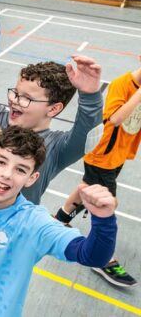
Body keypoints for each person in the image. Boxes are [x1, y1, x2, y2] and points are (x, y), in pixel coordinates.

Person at [0, 126, 118, 317]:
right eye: (1, 161)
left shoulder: (34, 223)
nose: (7, 174)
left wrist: (104, 219)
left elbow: (93, 256)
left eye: (20, 169)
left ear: (32, 178)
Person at [0, 35, 103, 204]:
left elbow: (88, 136)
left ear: (54, 109)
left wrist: (90, 95)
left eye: (26, 98)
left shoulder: (57, 147)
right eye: (15, 93)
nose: (15, 101)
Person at [54, 55, 141, 288]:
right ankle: (101, 258)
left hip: (118, 154)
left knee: (87, 186)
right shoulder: (122, 84)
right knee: (106, 203)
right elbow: (115, 118)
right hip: (102, 154)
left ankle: (60, 219)